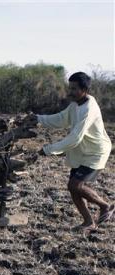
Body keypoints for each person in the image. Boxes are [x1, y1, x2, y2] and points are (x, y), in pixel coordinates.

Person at [32, 71, 113, 230]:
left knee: (75, 185)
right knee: (73, 187)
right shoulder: (75, 104)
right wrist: (37, 118)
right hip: (81, 152)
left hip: (95, 152)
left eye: (75, 88)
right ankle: (89, 222)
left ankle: (105, 205)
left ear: (85, 89)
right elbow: (61, 119)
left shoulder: (89, 108)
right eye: (70, 88)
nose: (71, 92)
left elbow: (75, 137)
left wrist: (48, 149)